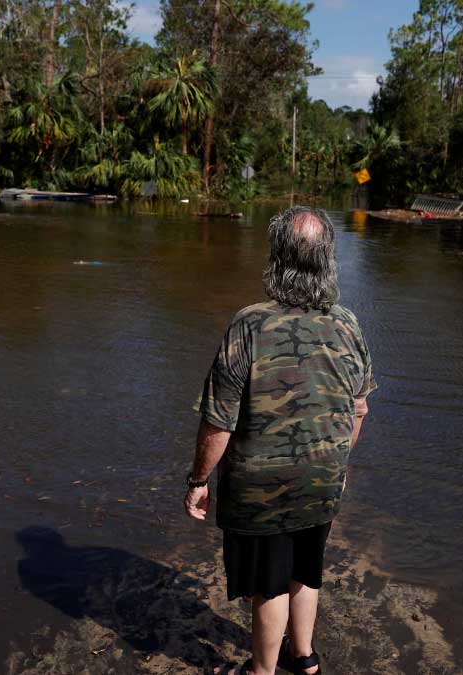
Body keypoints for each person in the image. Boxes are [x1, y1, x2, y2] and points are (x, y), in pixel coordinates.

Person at [184, 206, 376, 675]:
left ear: (277, 258)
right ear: (328, 260)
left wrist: (198, 479)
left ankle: (262, 670)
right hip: (323, 477)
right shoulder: (347, 324)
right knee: (307, 568)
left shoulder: (249, 324)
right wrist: (337, 466)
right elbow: (358, 408)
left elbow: (218, 421)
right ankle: (304, 658)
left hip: (261, 483)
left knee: (269, 583)